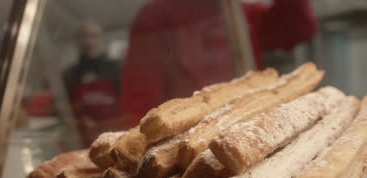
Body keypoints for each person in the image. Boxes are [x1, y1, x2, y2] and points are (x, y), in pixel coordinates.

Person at [121, 0, 318, 127]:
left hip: (251, 123)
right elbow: (140, 97)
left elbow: (298, 28)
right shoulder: (158, 15)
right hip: (190, 135)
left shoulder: (238, 12)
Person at [63, 21, 122, 146]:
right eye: (84, 36)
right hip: (83, 138)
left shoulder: (117, 69)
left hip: (115, 135)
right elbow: (65, 109)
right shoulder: (69, 74)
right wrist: (78, 120)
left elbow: (128, 106)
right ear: (77, 41)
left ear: (101, 39)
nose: (88, 41)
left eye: (93, 36)